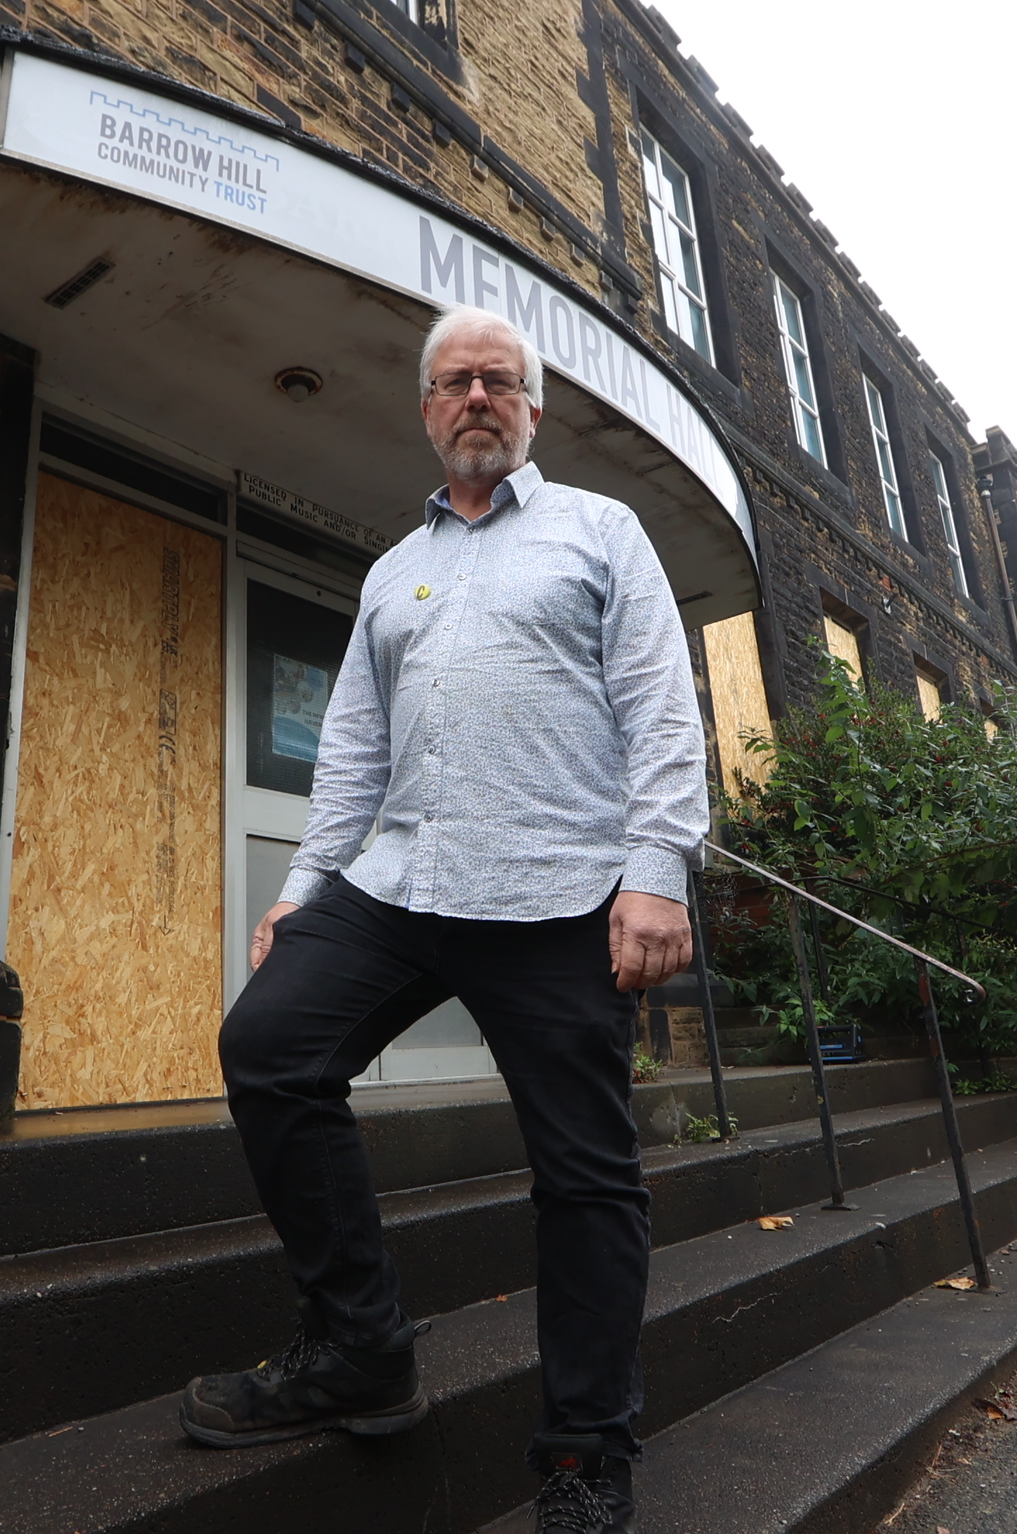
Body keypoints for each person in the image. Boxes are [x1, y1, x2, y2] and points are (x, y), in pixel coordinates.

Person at [177, 304, 708, 1532]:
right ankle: (361, 1349)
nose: (477, 397)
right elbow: (352, 753)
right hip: (404, 882)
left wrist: (656, 871)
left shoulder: (600, 531)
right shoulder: (389, 572)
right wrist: (306, 887)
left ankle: (584, 1455)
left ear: (533, 409)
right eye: (454, 381)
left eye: (499, 380)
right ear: (426, 410)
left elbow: (659, 706)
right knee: (270, 1048)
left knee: (585, 1176)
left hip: (564, 888)